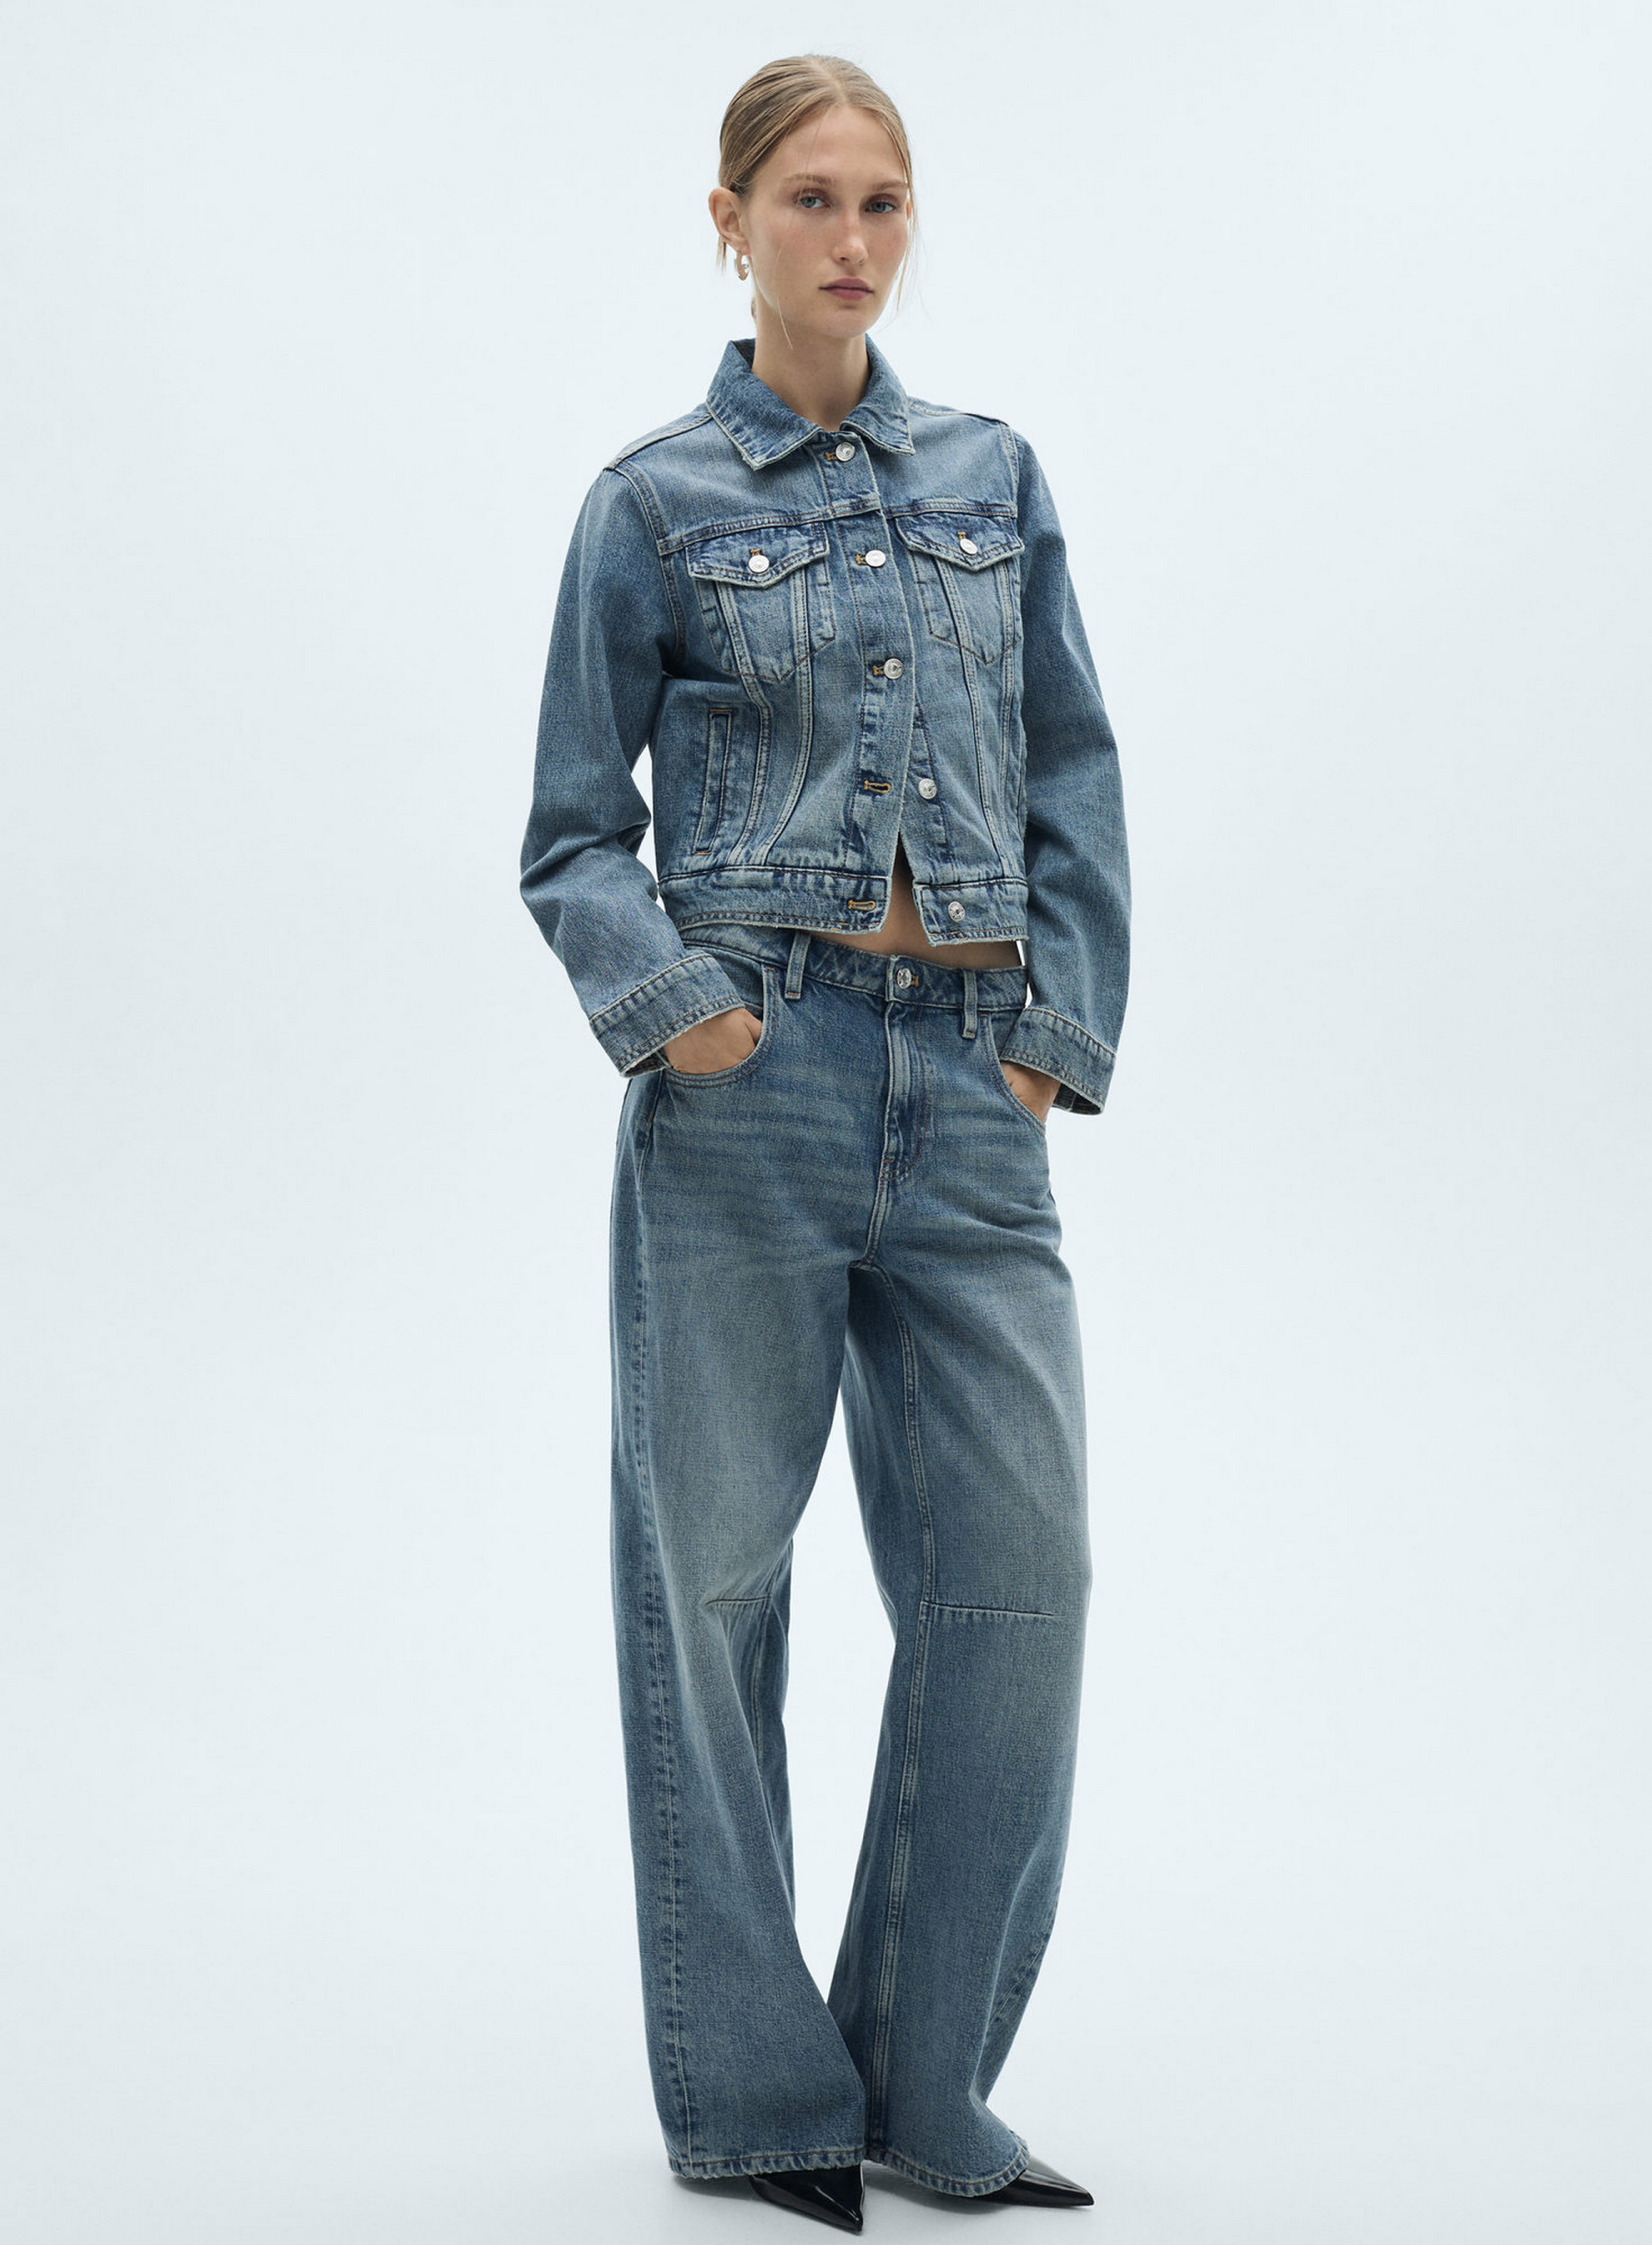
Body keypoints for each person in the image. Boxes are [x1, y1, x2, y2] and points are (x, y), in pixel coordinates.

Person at [519, 53, 1131, 2233]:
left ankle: (925, 2084)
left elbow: (1072, 770)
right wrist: (679, 1010)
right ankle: (764, 2101)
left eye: (881, 200)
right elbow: (569, 834)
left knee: (1018, 1581)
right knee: (710, 1586)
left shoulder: (994, 474)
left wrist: (1049, 1037)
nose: (851, 239)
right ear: (730, 222)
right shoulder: (650, 504)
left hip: (968, 1091)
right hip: (746, 1088)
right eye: (807, 199)